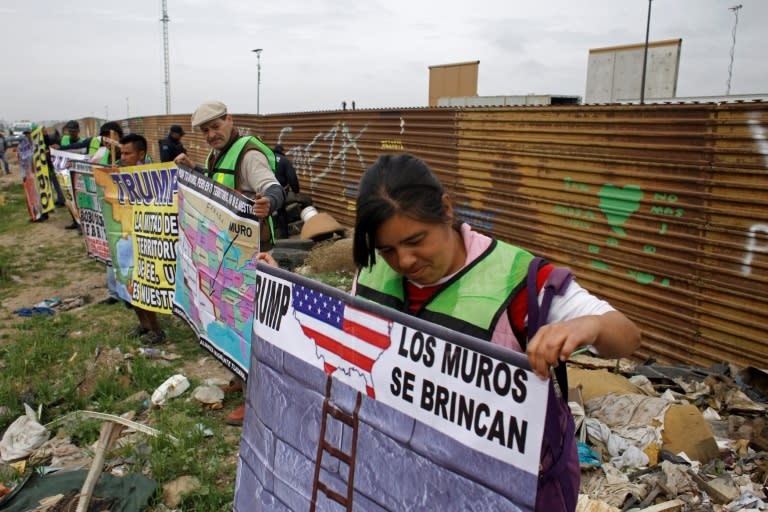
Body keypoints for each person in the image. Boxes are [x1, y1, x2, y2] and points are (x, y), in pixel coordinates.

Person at [351, 153, 641, 512]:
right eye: (389, 249)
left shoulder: (520, 282)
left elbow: (626, 336)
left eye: (416, 240)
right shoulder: (372, 271)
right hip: (396, 478)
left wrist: (589, 327)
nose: (405, 261)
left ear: (446, 209)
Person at [174, 100, 285, 426]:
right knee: (227, 318)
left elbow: (272, 187)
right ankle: (239, 378)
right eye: (205, 130)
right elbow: (221, 190)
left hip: (253, 254)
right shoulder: (217, 154)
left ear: (229, 120)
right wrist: (194, 170)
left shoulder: (248, 154)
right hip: (225, 253)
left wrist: (269, 203)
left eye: (215, 126)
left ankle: (256, 400)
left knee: (248, 326)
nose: (211, 134)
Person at [113, 133, 166, 344]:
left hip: (145, 241)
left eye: (127, 153)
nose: (123, 157)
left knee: (143, 287)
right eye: (121, 153)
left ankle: (157, 330)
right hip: (125, 239)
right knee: (128, 284)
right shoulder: (119, 175)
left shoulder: (151, 177)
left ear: (141, 154)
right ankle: (144, 325)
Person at [272, 144, 300, 239]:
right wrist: (296, 191)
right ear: (282, 151)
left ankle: (268, 235)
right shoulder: (284, 161)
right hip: (280, 190)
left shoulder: (266, 158)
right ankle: (284, 235)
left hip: (265, 188)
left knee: (266, 212)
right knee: (281, 211)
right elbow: (292, 177)